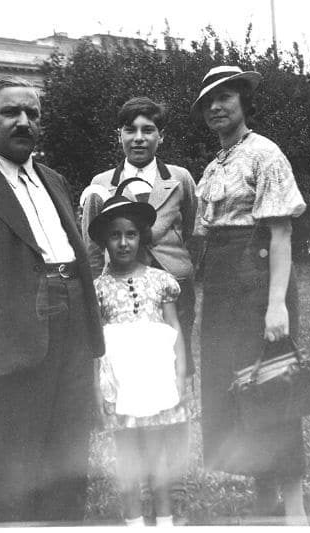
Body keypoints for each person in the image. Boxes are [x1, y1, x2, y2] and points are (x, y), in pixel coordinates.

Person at [0, 77, 105, 523]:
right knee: (11, 474)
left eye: (32, 114)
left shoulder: (53, 180)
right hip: (3, 347)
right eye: (11, 113)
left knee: (69, 463)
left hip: (72, 338)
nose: (23, 122)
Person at [191, 65, 308, 525]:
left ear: (244, 101)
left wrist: (276, 303)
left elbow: (281, 234)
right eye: (209, 102)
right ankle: (264, 504)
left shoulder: (266, 154)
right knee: (237, 390)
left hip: (259, 277)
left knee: (275, 388)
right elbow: (205, 235)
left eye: (226, 97)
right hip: (221, 284)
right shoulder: (214, 165)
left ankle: (296, 511)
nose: (217, 107)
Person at [81, 96, 197, 521]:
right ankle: (138, 497)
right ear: (119, 135)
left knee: (174, 380)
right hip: (118, 294)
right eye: (131, 129)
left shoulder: (179, 178)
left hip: (170, 290)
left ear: (160, 136)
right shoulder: (100, 182)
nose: (139, 137)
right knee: (128, 385)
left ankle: (174, 492)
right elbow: (93, 246)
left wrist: (181, 269)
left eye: (148, 130)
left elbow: (194, 226)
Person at [88, 195, 188, 527]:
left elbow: (173, 329)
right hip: (120, 384)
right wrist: (97, 390)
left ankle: (164, 520)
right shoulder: (99, 288)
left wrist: (181, 372)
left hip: (155, 379)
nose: (123, 242)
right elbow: (95, 345)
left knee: (158, 455)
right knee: (128, 457)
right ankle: (133, 521)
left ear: (141, 237)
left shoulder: (160, 281)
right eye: (115, 236)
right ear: (105, 241)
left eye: (130, 234)